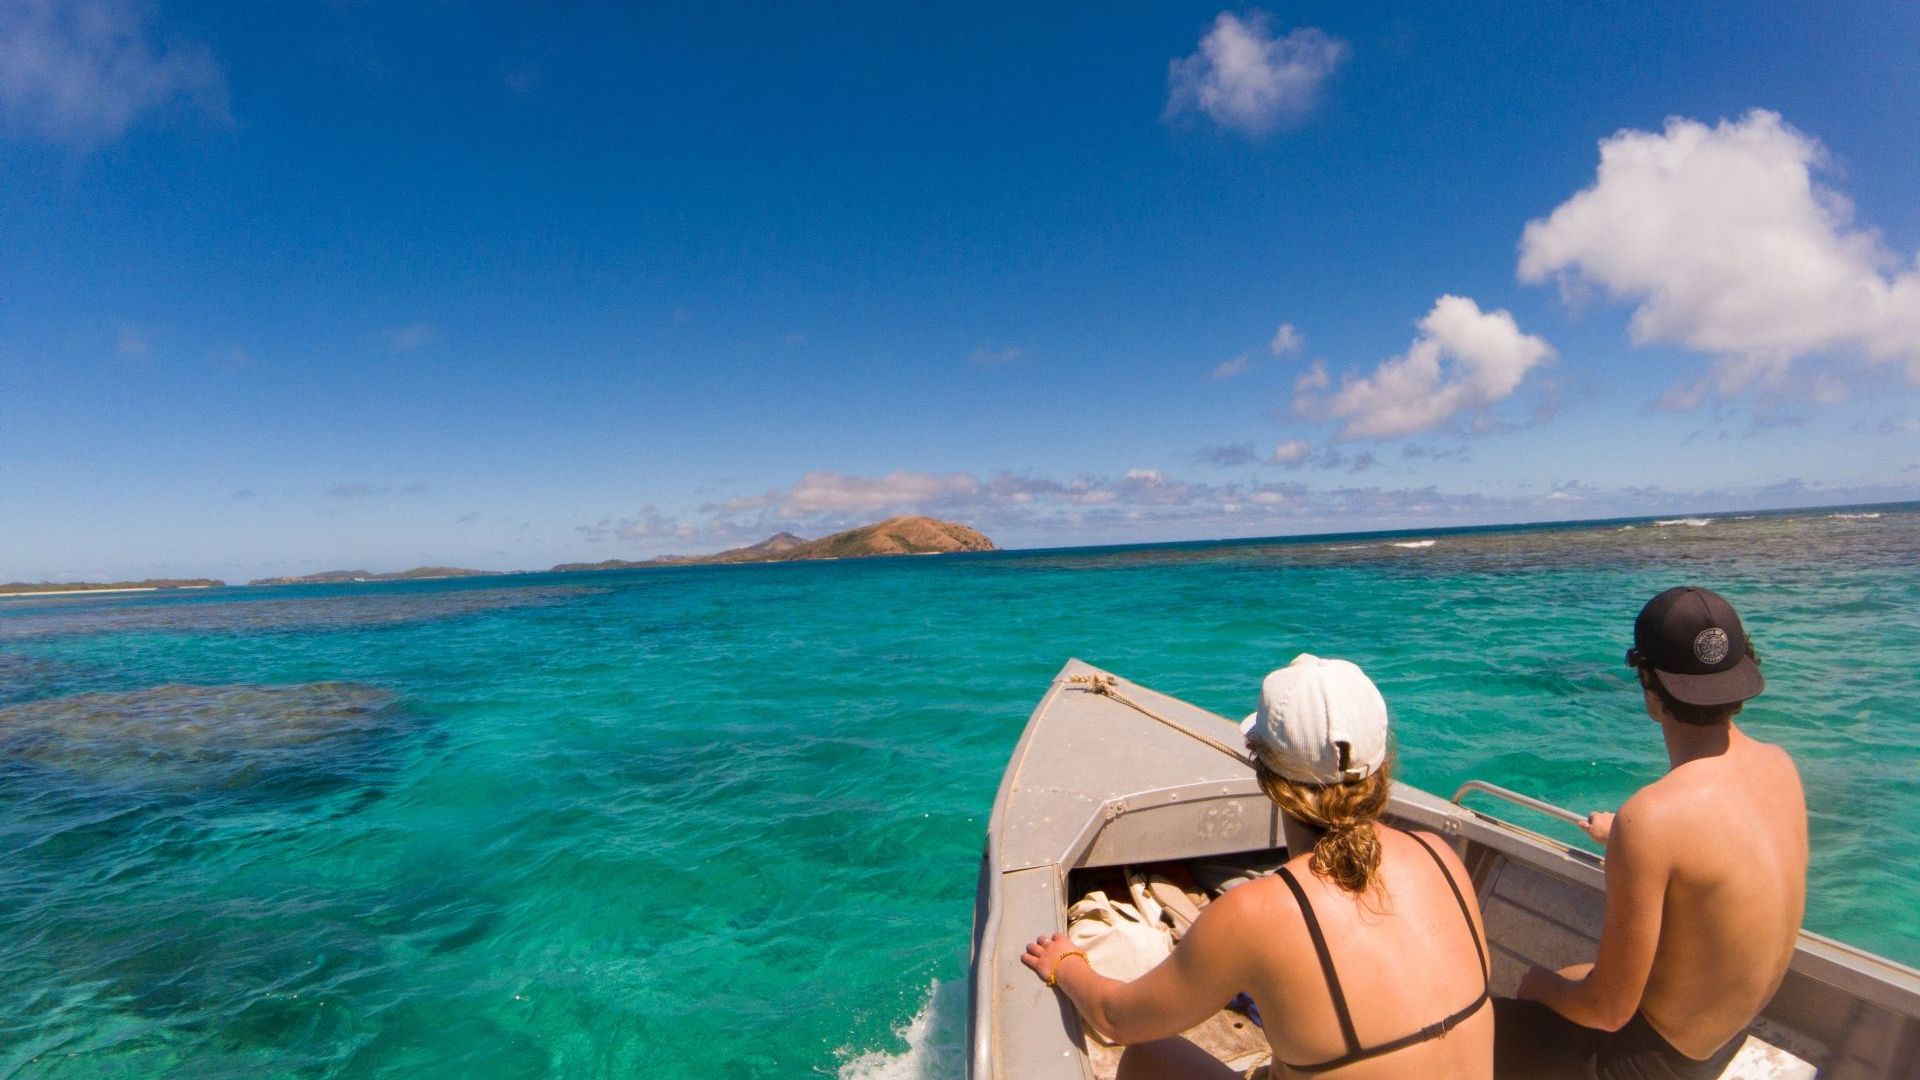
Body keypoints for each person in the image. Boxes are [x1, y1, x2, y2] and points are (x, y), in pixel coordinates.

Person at [1022, 654, 1493, 1079]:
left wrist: (1066, 964)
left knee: (1148, 1056)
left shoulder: (1256, 913)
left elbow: (1115, 1018)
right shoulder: (1442, 857)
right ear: (1381, 765)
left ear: (1266, 775)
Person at [1495, 586, 1808, 1079]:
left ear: (1647, 680)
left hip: (1655, 1065)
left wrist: (1538, 985)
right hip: (1721, 1038)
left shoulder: (1652, 819)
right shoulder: (1780, 766)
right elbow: (1714, 840)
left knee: (1477, 1030)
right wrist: (1623, 835)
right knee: (1574, 975)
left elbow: (1607, 1011)